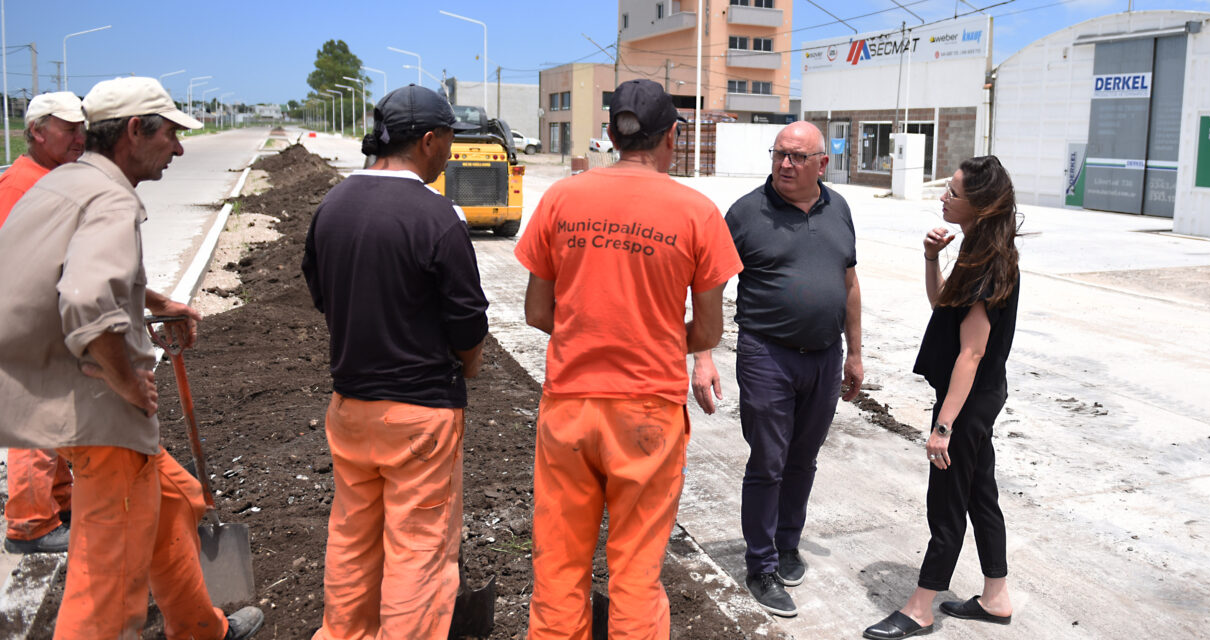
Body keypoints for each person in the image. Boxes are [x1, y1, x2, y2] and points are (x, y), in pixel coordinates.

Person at [0, 76, 263, 639]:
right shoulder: (112, 199)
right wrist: (122, 379)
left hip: (48, 388)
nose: (180, 147)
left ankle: (200, 629)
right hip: (96, 407)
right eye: (170, 133)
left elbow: (63, 270)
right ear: (136, 130)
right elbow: (85, 299)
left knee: (175, 499)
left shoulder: (66, 183)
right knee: (108, 580)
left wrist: (157, 301)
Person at [515, 78, 742, 639]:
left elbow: (538, 313)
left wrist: (592, 326)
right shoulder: (696, 211)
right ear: (669, 138)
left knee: (560, 566)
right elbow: (709, 328)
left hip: (568, 405)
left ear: (612, 134)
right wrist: (652, 334)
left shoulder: (562, 199)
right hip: (648, 414)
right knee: (636, 573)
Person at [302, 84, 488, 640]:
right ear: (429, 140)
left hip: (350, 407)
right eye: (450, 141)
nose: (451, 153)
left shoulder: (332, 206)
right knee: (419, 552)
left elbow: (320, 291)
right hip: (420, 416)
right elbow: (468, 324)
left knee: (352, 540)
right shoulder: (437, 219)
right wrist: (469, 366)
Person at [690, 120, 863, 617]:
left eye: (798, 157)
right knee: (768, 460)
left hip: (826, 356)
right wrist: (703, 356)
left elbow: (849, 282)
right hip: (767, 354)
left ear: (822, 164)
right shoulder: (746, 213)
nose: (786, 164)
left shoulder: (840, 209)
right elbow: (709, 287)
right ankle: (761, 564)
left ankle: (788, 543)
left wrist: (855, 350)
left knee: (803, 459)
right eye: (779, 154)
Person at [863, 156, 1020, 640]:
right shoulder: (980, 251)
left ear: (980, 203)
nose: (944, 198)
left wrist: (943, 426)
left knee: (947, 501)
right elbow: (941, 308)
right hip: (978, 396)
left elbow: (970, 353)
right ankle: (995, 597)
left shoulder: (989, 263)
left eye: (953, 193)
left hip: (966, 402)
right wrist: (931, 259)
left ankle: (920, 607)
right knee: (980, 494)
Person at [0, 91, 86, 554]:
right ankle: (29, 523)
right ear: (37, 132)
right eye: (67, 129)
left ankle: (59, 502)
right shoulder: (22, 185)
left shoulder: (51, 179)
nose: (79, 137)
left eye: (80, 129)